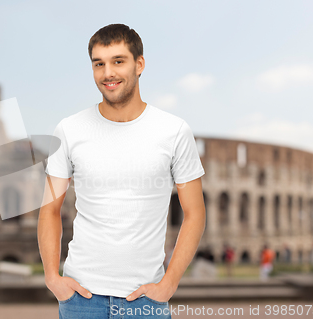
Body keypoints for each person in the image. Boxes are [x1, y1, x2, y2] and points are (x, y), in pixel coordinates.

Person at [37, 24, 206, 319]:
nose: (108, 73)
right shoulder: (69, 129)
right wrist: (53, 277)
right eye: (98, 64)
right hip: (80, 298)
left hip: (145, 299)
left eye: (118, 61)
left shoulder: (174, 131)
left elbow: (194, 212)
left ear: (139, 64)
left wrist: (169, 283)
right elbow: (49, 208)